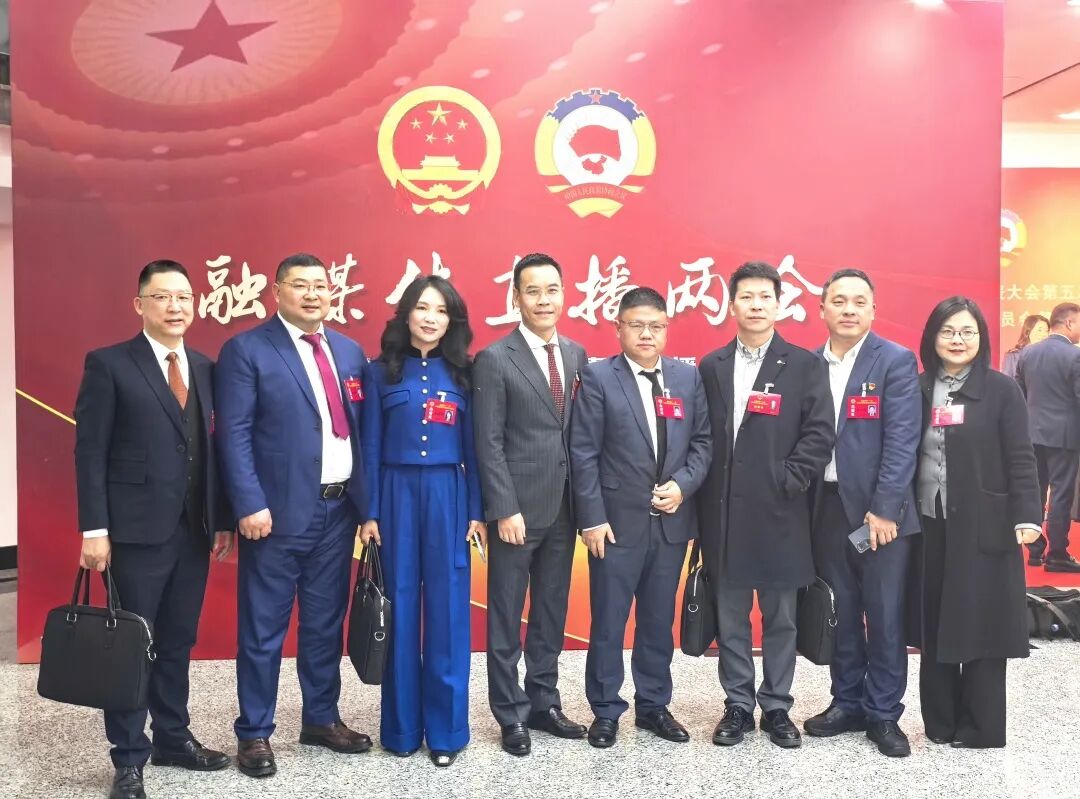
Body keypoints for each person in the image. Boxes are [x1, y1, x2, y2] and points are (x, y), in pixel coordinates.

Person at [74, 260, 233, 799]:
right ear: (139, 304)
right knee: (131, 645)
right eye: (162, 296)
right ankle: (128, 758)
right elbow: (90, 452)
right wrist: (94, 529)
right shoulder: (110, 364)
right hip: (134, 533)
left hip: (193, 531)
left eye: (184, 297)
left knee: (177, 639)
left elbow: (212, 451)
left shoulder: (206, 367)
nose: (175, 306)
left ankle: (172, 737)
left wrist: (221, 519)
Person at [216, 253, 371, 778]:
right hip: (275, 516)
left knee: (325, 624)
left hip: (338, 512)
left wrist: (366, 507)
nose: (312, 294)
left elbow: (362, 434)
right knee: (264, 629)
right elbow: (233, 432)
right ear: (277, 291)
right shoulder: (247, 350)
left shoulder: (348, 351)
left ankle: (321, 719)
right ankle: (254, 731)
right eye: (300, 285)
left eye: (320, 285)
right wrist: (248, 503)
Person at [697, 261, 834, 750]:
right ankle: (737, 704)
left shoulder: (803, 364)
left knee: (781, 617)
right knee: (731, 616)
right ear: (731, 305)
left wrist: (787, 480)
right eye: (746, 297)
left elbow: (820, 434)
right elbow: (702, 436)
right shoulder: (711, 366)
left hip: (781, 513)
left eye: (765, 297)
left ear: (779, 305)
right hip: (724, 514)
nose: (756, 305)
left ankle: (776, 706)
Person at [570, 287, 712, 749]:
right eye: (637, 325)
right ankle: (605, 709)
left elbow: (703, 443)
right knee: (609, 622)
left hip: (670, 525)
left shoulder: (686, 378)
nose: (646, 334)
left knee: (656, 621)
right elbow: (583, 453)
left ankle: (653, 705)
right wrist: (592, 519)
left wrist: (683, 485)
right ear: (619, 328)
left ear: (666, 329)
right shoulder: (598, 377)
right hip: (614, 526)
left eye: (655, 326)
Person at [358, 276, 486, 767]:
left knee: (449, 613)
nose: (431, 318)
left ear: (452, 321)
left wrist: (475, 512)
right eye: (422, 308)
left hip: (448, 494)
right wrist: (370, 512)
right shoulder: (380, 373)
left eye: (441, 310)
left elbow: (475, 450)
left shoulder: (465, 374)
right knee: (400, 608)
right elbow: (370, 446)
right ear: (406, 314)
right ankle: (402, 729)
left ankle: (448, 733)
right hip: (395, 495)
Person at [909, 296, 1042, 748]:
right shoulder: (918, 387)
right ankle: (941, 723)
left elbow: (1022, 457)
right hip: (929, 523)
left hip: (986, 525)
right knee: (935, 620)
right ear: (932, 337)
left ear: (981, 338)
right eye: (948, 331)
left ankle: (981, 728)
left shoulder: (1002, 390)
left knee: (982, 622)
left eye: (967, 331)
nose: (957, 340)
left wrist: (1028, 515)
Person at [472, 253, 590, 756]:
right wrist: (503, 508)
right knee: (506, 613)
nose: (544, 300)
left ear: (564, 294)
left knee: (550, 611)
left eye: (552, 289)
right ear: (516, 297)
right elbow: (488, 441)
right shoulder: (495, 358)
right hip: (517, 511)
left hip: (565, 507)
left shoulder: (578, 354)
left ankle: (544, 702)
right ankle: (510, 712)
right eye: (533, 291)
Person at [803, 269, 921, 757]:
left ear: (873, 309)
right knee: (843, 611)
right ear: (822, 309)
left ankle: (884, 713)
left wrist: (885, 509)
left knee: (885, 613)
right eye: (839, 301)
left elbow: (902, 440)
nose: (848, 309)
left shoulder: (894, 360)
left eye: (858, 301)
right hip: (826, 508)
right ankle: (846, 701)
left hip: (881, 516)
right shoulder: (807, 364)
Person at [1016, 302, 1080, 572]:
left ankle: (1035, 548)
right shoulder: (1075, 356)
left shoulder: (1028, 353)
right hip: (1064, 437)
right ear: (1069, 322)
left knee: (1035, 492)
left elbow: (1018, 394)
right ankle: (1057, 554)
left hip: (1031, 434)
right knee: (1061, 495)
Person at [1000, 314, 1049, 380]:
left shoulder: (1049, 356)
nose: (1044, 334)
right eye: (1039, 330)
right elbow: (1006, 381)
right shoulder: (1013, 356)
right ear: (1028, 332)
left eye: (1046, 331)